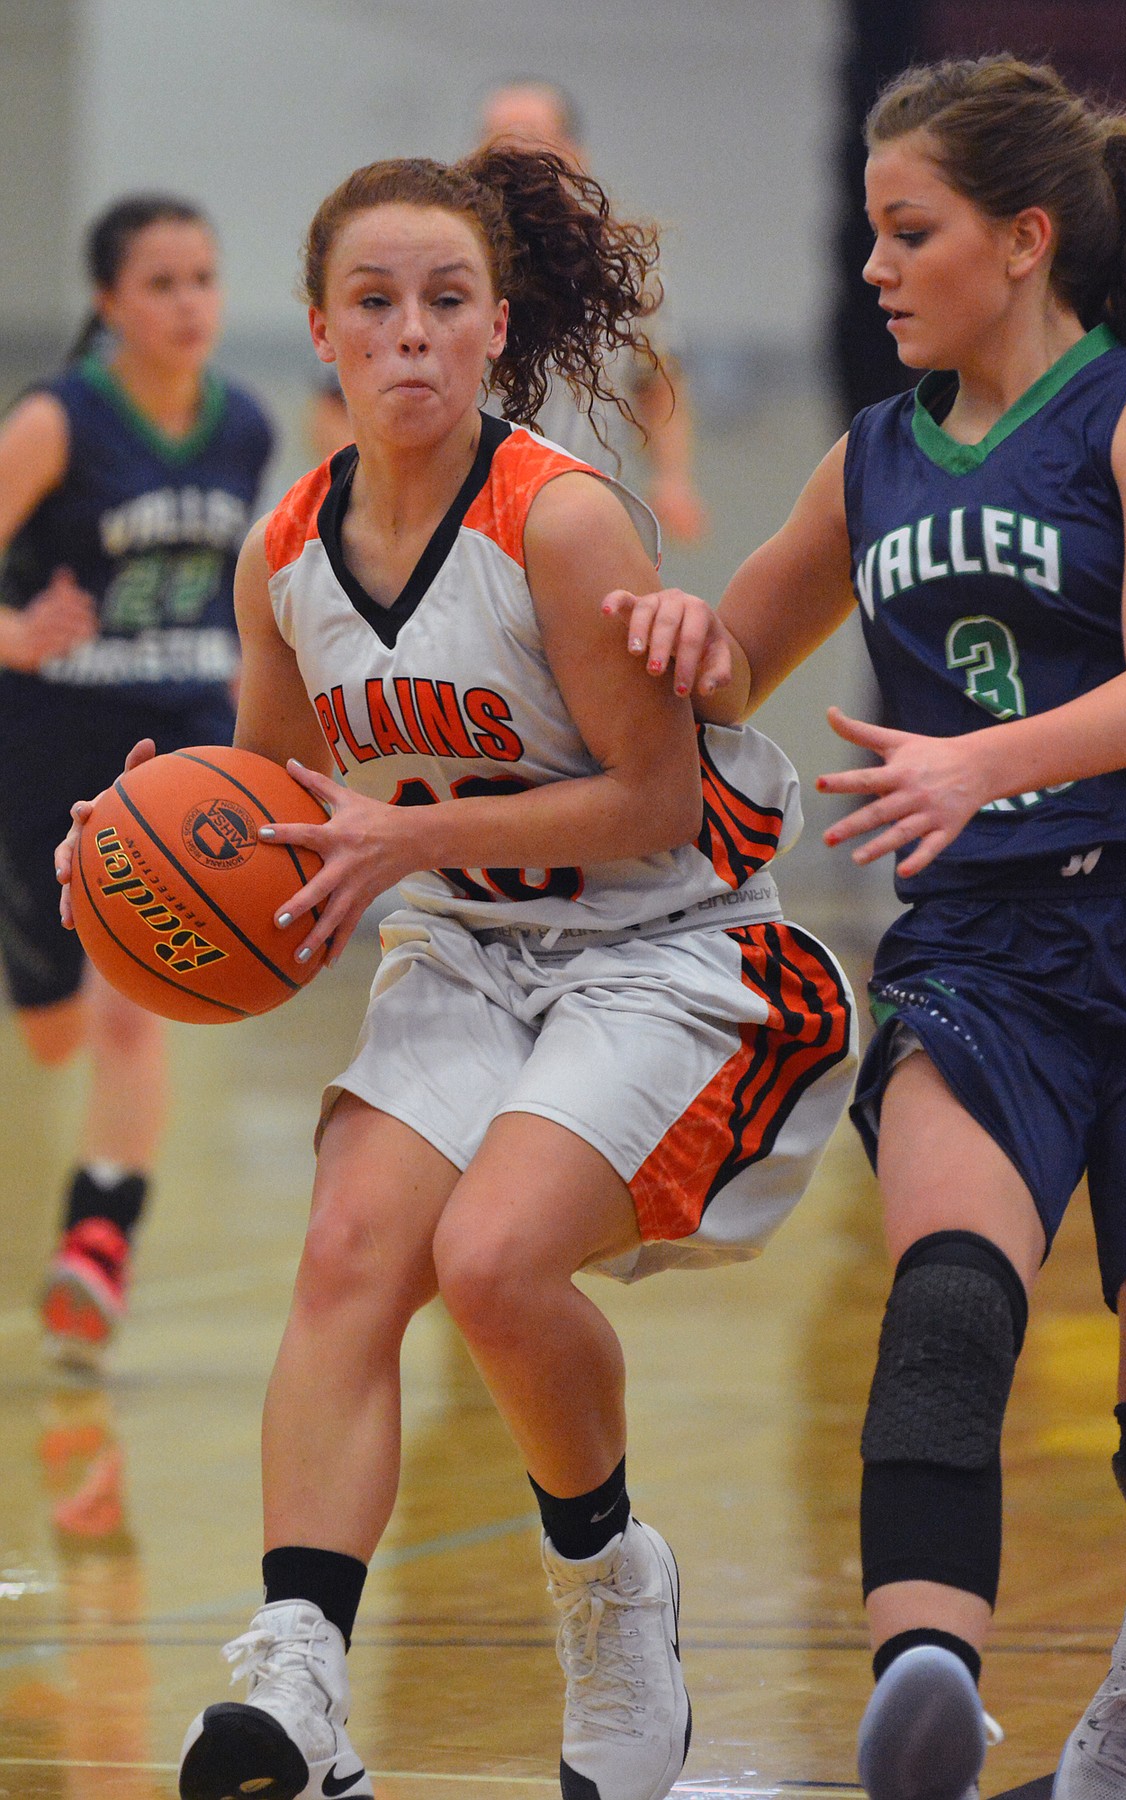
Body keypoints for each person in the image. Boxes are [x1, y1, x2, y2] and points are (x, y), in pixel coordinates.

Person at [58, 149, 856, 1800]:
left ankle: (605, 1581)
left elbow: (653, 801)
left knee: (495, 1262)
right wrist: (128, 840)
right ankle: (298, 1674)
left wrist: (400, 846)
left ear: (494, 330)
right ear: (321, 333)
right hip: (470, 949)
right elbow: (276, 818)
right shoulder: (285, 556)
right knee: (351, 1242)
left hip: (661, 947)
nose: (409, 334)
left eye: (442, 304)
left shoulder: (564, 522)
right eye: (375, 304)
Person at [603, 53, 1126, 1800]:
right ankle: (927, 1674)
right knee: (948, 1303)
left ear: (1022, 239)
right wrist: (643, 636)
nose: (871, 267)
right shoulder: (870, 460)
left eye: (905, 231)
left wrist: (980, 758)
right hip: (980, 951)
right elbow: (720, 671)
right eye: (868, 233)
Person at [0, 194, 273, 1371]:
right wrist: (13, 634)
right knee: (54, 1029)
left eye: (203, 278)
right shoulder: (57, 420)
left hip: (175, 742)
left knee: (135, 995)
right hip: (48, 730)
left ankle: (98, 1244)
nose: (188, 304)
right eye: (161, 283)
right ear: (109, 302)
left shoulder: (247, 425)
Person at [476, 77, 710, 544]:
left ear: (574, 152)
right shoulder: (446, 259)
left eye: (532, 139)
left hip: (586, 516)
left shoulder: (625, 265)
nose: (518, 159)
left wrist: (673, 479)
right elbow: (338, 400)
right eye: (500, 142)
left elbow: (657, 379)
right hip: (468, 519)